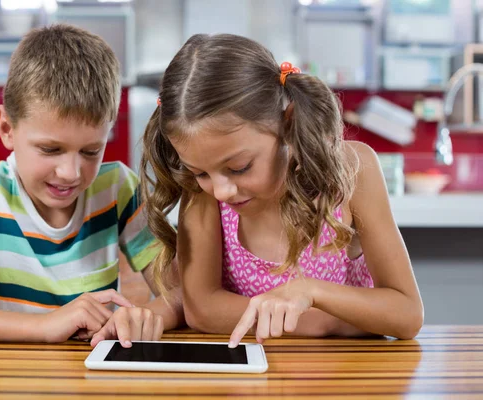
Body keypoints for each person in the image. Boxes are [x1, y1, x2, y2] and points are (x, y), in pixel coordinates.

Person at [0, 24, 183, 347]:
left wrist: (143, 317)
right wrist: (43, 326)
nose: (71, 172)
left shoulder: (118, 189)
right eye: (50, 149)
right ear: (6, 128)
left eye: (90, 151)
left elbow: (181, 294)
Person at [139, 33, 424, 348]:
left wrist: (311, 291)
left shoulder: (354, 170)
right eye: (200, 172)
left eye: (239, 167)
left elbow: (406, 313)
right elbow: (201, 310)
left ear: (287, 123)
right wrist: (335, 322)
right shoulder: (203, 190)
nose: (220, 191)